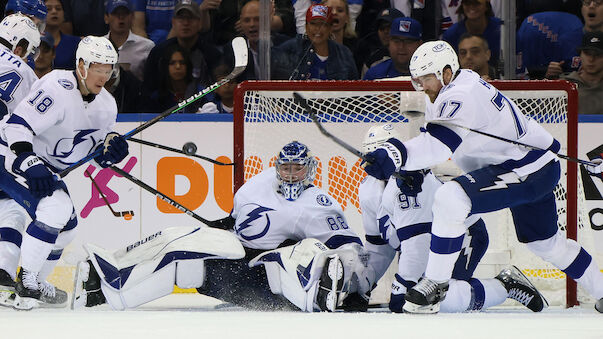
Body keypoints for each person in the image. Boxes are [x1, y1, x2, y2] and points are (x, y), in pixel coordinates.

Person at [361, 40, 603, 314]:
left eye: (427, 78)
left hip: (525, 169)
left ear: (447, 72)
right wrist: (408, 167)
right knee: (546, 244)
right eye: (418, 80)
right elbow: (431, 142)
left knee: (450, 198)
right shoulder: (452, 87)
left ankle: (436, 284)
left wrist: (395, 155)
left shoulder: (459, 95)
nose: (422, 86)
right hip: (534, 167)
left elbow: (439, 145)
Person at [72, 141, 369, 312]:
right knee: (179, 240)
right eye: (285, 168)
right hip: (236, 275)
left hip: (280, 289)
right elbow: (238, 221)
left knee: (300, 252)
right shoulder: (256, 187)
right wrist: (224, 224)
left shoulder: (318, 202)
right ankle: (107, 284)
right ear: (277, 167)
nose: (291, 175)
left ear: (310, 169)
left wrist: (359, 291)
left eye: (297, 169)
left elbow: (349, 247)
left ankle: (320, 293)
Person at [359, 124, 548, 313]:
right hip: (425, 245)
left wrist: (404, 284)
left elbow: (418, 242)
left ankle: (505, 285)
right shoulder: (368, 191)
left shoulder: (410, 185)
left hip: (463, 235)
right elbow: (378, 248)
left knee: (433, 299)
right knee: (417, 299)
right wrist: (362, 286)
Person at [0, 35, 129, 310]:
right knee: (55, 208)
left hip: (41, 164)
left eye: (108, 69)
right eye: (97, 67)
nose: (103, 75)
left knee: (67, 230)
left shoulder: (107, 105)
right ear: (81, 65)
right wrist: (27, 160)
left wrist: (108, 154)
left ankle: (35, 282)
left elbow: (93, 153)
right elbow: (17, 128)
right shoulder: (57, 86)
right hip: (8, 153)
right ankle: (28, 283)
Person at [0, 14, 40, 307]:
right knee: (12, 209)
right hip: (3, 156)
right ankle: (2, 273)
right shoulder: (28, 75)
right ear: (20, 45)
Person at [141, 0, 221, 105]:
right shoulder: (159, 53)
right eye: (181, 18)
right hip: (162, 113)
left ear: (200, 22)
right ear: (173, 22)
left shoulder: (212, 54)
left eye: (190, 18)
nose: (186, 23)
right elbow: (148, 92)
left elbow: (220, 92)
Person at [272, 4, 358, 80]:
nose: (317, 28)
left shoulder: (344, 54)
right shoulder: (289, 49)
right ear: (306, 26)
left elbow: (355, 91)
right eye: (313, 23)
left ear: (330, 28)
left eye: (323, 24)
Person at [546, 0, 603, 79]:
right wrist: (551, 73)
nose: (591, 6)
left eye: (597, 3)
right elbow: (553, 75)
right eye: (587, 3)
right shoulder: (565, 41)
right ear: (582, 9)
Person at [103, 0, 155, 82]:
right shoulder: (97, 45)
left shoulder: (147, 47)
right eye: (115, 13)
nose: (121, 17)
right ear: (106, 18)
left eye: (125, 13)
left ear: (132, 17)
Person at [443, 0, 500, 69]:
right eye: (467, 4)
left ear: (486, 6)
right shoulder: (451, 34)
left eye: (476, 4)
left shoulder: (501, 29)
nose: (471, 7)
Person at [561, 31, 603, 115]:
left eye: (597, 54)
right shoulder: (563, 86)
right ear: (580, 55)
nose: (591, 59)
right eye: (587, 54)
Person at [354, 7, 403, 77]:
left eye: (390, 27)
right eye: (382, 28)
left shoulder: (416, 57)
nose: (386, 31)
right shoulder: (372, 62)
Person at [44, 0, 80, 70]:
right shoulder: (34, 41)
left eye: (58, 8)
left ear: (64, 15)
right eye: (48, 9)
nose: (54, 11)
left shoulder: (76, 43)